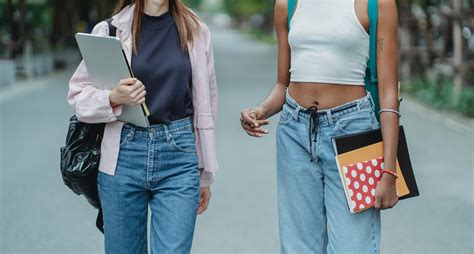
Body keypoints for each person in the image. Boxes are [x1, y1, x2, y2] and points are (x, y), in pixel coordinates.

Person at [240, 0, 400, 253]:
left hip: (354, 132)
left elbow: (389, 91)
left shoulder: (376, 4)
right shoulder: (287, 5)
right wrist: (261, 110)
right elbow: (283, 83)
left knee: (353, 247)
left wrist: (389, 171)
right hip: (295, 131)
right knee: (298, 247)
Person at [67, 0, 218, 253]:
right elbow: (77, 97)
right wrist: (113, 97)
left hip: (179, 158)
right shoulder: (109, 31)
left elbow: (207, 106)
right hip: (122, 157)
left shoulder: (196, 30)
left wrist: (206, 175)